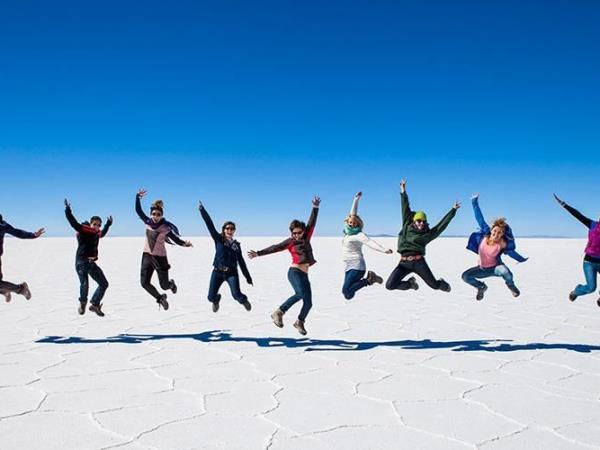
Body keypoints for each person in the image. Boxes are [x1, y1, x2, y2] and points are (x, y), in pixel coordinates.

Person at [248, 196, 320, 335]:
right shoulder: (290, 242)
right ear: (291, 233)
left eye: (299, 232)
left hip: (304, 275)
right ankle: (279, 312)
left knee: (309, 303)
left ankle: (299, 321)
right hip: (294, 272)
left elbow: (312, 223)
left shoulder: (306, 238)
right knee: (299, 294)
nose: (297, 235)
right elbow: (275, 247)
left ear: (303, 232)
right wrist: (258, 253)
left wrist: (315, 208)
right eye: (294, 233)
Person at [386, 179, 459, 293]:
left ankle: (443, 285)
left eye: (423, 221)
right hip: (404, 263)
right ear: (414, 221)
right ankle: (410, 284)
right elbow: (405, 207)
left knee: (434, 285)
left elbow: (441, 226)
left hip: (419, 263)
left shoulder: (427, 234)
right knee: (390, 285)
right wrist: (403, 191)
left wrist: (453, 211)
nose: (421, 223)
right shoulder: (406, 225)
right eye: (418, 220)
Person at [461, 194, 527, 300]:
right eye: (495, 230)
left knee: (505, 271)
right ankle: (481, 287)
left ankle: (511, 285)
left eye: (499, 232)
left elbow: (512, 253)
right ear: (492, 230)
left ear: (502, 235)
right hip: (482, 269)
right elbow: (479, 218)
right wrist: (474, 202)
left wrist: (521, 259)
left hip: (496, 269)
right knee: (465, 276)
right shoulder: (484, 235)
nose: (496, 234)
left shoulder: (502, 244)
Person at [135, 189, 192, 310]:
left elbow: (175, 239)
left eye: (158, 214)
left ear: (162, 215)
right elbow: (138, 211)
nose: (156, 216)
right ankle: (160, 298)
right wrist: (137, 197)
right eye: (154, 214)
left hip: (160, 258)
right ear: (151, 214)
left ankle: (171, 284)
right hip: (147, 256)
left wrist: (184, 244)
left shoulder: (165, 227)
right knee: (144, 283)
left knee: (164, 285)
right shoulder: (147, 222)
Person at [199, 201, 253, 313]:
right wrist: (202, 211)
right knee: (210, 297)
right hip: (217, 272)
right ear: (224, 229)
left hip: (231, 273)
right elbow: (209, 224)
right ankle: (216, 299)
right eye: (227, 228)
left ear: (234, 231)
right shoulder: (219, 239)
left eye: (232, 229)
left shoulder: (236, 246)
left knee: (236, 295)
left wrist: (247, 277)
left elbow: (241, 262)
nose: (229, 230)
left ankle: (244, 300)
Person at [65, 199, 113, 316]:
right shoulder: (85, 231)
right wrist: (68, 211)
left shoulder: (96, 233)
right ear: (90, 224)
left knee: (104, 284)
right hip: (81, 263)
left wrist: (108, 224)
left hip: (91, 263)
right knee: (85, 284)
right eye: (94, 224)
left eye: (98, 225)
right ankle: (83, 303)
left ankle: (95, 304)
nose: (96, 226)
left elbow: (103, 233)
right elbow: (74, 223)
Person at [342, 191, 393, 300]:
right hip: (348, 266)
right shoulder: (347, 232)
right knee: (348, 295)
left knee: (345, 290)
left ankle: (370, 280)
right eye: (350, 222)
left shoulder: (359, 234)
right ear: (347, 222)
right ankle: (369, 280)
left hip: (357, 265)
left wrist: (384, 250)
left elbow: (370, 242)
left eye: (354, 223)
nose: (352, 224)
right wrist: (356, 199)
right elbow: (353, 214)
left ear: (358, 224)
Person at [554, 194, 600, 305]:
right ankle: (576, 291)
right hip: (589, 262)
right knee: (591, 288)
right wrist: (564, 204)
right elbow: (577, 215)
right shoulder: (592, 225)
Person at [0, 214, 44, 303]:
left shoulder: (2, 225)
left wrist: (33, 235)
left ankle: (21, 289)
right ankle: (4, 290)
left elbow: (17, 232)